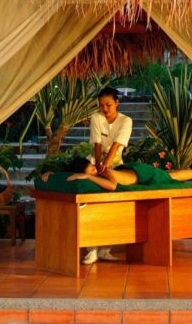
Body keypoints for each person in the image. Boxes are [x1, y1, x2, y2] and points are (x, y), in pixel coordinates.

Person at [83, 86, 133, 264]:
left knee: (112, 204)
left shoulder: (126, 121)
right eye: (101, 105)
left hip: (115, 164)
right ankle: (91, 249)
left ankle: (105, 249)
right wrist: (98, 166)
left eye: (108, 105)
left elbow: (116, 146)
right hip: (95, 163)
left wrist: (105, 167)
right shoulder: (96, 118)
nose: (104, 109)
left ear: (117, 103)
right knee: (92, 201)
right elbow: (97, 144)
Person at [65, 157, 192, 191]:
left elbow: (112, 186)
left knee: (172, 177)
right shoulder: (98, 176)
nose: (95, 170)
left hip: (143, 174)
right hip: (134, 171)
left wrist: (88, 176)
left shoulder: (104, 173)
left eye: (93, 167)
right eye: (91, 170)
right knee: (167, 173)